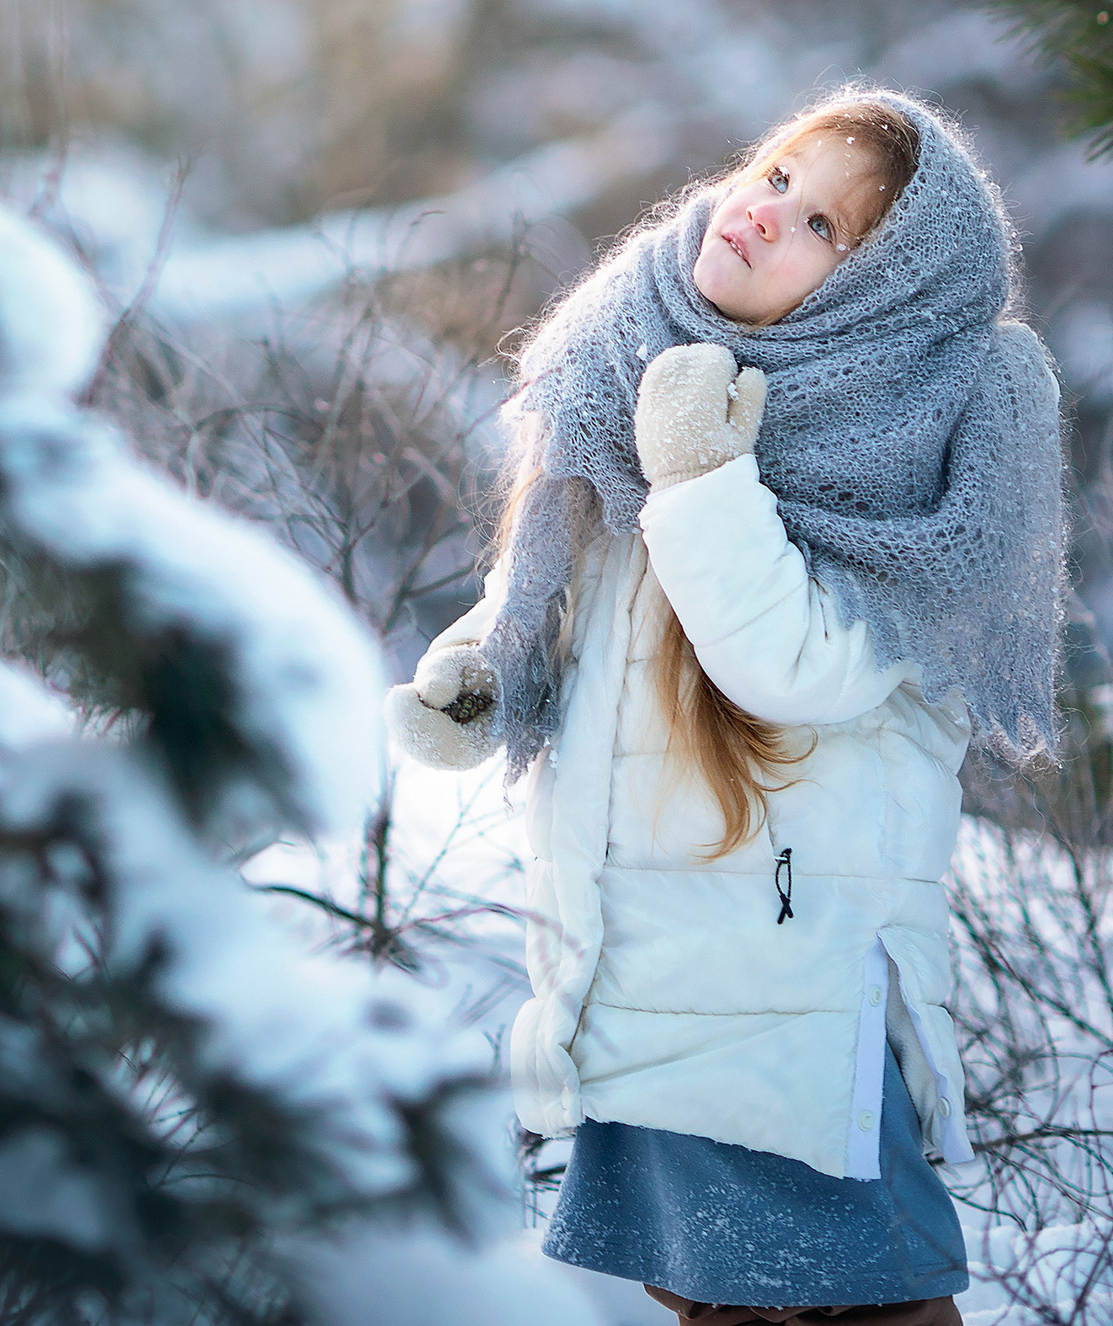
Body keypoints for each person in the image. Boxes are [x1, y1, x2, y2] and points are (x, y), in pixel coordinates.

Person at [386, 87, 1065, 1326]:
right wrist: (485, 673)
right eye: (774, 177)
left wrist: (703, 478)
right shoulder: (629, 354)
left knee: (866, 1300)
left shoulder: (914, 441)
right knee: (707, 1303)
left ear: (887, 295)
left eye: (823, 226)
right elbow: (556, 594)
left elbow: (796, 670)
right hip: (638, 950)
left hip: (790, 980)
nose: (764, 215)